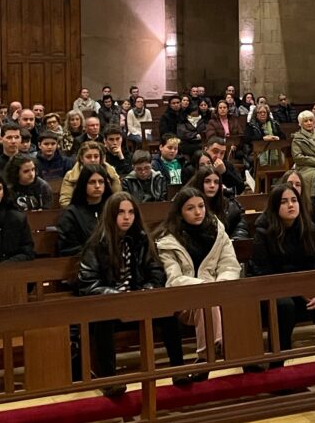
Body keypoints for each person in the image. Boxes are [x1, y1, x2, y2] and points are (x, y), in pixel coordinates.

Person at [77, 192, 187, 394]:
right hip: (111, 304)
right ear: (110, 215)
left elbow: (156, 271)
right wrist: (117, 296)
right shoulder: (96, 245)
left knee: (168, 312)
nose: (126, 217)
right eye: (121, 212)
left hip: (139, 300)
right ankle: (109, 381)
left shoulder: (143, 240)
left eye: (130, 212)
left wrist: (149, 289)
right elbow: (88, 284)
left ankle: (178, 370)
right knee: (103, 319)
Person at [155, 188, 242, 380]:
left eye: (201, 206)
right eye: (190, 208)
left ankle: (243, 358)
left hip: (219, 293)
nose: (198, 212)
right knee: (206, 299)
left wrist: (220, 284)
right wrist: (204, 285)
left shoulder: (218, 232)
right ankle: (210, 352)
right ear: (179, 212)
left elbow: (230, 265)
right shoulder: (168, 241)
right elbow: (174, 279)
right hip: (184, 302)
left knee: (242, 297)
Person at [247, 184, 315, 362]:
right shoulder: (263, 232)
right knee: (285, 305)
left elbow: (314, 263)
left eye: (294, 200)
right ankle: (279, 360)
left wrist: (314, 291)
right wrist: (298, 290)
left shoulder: (307, 228)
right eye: (284, 202)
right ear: (275, 206)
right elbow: (263, 273)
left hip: (301, 286)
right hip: (271, 288)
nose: (291, 205)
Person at [57, 164, 113, 256]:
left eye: (101, 182)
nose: (97, 186)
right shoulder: (71, 214)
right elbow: (68, 249)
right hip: (84, 263)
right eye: (92, 182)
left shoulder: (112, 209)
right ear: (83, 184)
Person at [184, 165, 249, 240]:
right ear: (199, 182)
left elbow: (240, 227)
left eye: (216, 182)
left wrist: (235, 240)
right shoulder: (188, 205)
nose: (212, 185)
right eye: (207, 181)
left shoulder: (228, 205)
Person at [58, 141, 123, 207]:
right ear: (81, 158)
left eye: (96, 156)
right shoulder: (70, 176)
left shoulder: (110, 173)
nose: (93, 160)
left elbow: (117, 198)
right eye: (88, 157)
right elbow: (65, 202)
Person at [291, 110, 315, 205]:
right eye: (306, 121)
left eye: (311, 120)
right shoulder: (297, 138)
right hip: (305, 167)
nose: (309, 123)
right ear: (301, 124)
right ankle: (313, 202)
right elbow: (298, 157)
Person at [245, 104, 285, 168]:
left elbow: (283, 136)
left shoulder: (274, 124)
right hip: (257, 152)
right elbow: (247, 139)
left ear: (267, 114)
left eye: (264, 112)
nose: (262, 114)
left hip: (276, 151)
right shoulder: (251, 125)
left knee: (283, 159)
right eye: (260, 112)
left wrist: (276, 137)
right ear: (256, 114)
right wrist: (263, 138)